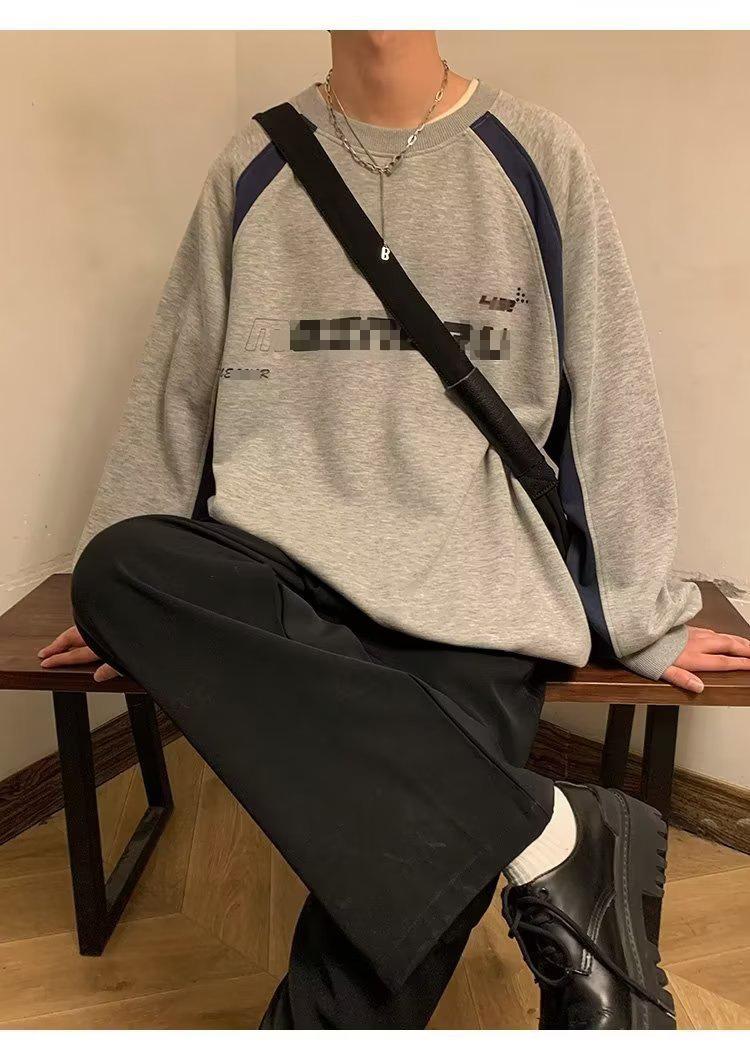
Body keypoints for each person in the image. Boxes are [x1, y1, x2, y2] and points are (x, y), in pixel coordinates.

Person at [38, 30, 750, 1031]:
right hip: (282, 567)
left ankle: (529, 842)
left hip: (473, 578)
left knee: (389, 897)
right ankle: (551, 834)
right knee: (118, 567)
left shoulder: (537, 153)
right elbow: (178, 381)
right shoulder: (254, 162)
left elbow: (611, 390)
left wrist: (638, 612)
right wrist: (124, 615)